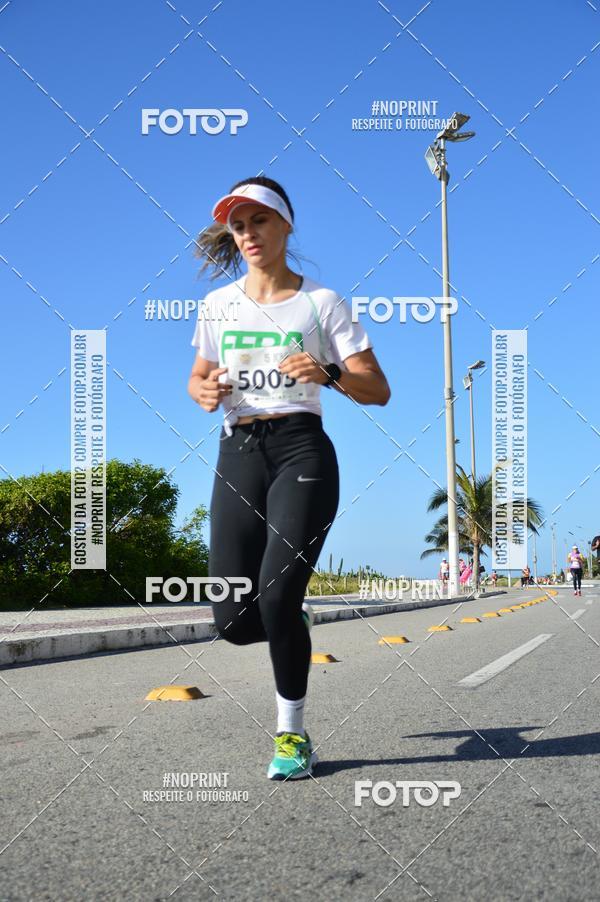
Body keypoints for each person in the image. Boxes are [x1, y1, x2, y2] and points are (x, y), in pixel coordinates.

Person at [187, 176, 391, 780]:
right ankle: (290, 621)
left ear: (286, 226)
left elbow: (377, 389)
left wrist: (327, 370)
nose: (249, 234)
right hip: (238, 451)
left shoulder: (321, 304)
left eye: (261, 221)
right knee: (230, 620)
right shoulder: (217, 306)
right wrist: (207, 390)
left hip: (302, 450)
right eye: (239, 225)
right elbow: (197, 382)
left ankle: (292, 737)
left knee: (277, 595)